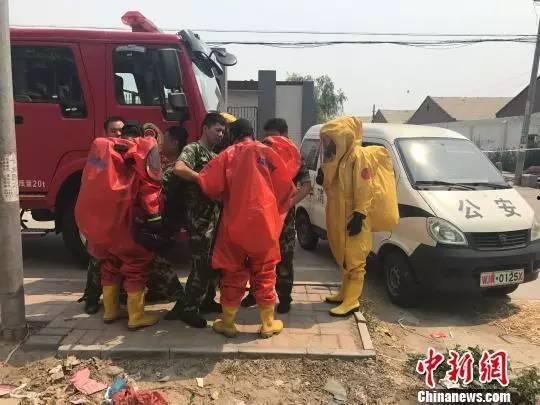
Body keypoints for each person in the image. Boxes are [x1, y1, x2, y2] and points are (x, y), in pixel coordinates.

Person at [195, 119, 300, 338]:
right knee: (265, 273)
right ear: (252, 133)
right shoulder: (268, 153)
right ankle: (268, 324)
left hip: (234, 224)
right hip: (265, 224)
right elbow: (285, 188)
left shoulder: (228, 154)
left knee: (232, 273)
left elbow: (210, 185)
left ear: (233, 135)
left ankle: (228, 323)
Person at [78, 123, 186, 314]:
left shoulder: (106, 156)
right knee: (137, 265)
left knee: (108, 265)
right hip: (130, 224)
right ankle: (136, 314)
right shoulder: (139, 157)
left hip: (107, 224)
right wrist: (155, 219)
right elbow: (149, 192)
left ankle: (109, 310)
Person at [315, 116, 398, 317]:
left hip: (353, 215)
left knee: (355, 258)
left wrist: (360, 215)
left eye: (332, 139)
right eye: (327, 139)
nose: (329, 143)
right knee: (343, 255)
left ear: (345, 137)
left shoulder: (358, 157)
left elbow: (365, 187)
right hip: (337, 212)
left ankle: (352, 301)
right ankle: (344, 294)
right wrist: (323, 176)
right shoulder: (338, 159)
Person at [241, 118, 312, 313]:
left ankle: (285, 297)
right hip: (261, 215)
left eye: (273, 136)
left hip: (284, 218)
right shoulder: (260, 152)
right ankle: (255, 293)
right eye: (267, 137)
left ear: (285, 134)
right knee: (257, 256)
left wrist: (290, 203)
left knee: (284, 257)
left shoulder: (294, 156)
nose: (270, 141)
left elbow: (306, 186)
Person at [165, 112, 227, 327]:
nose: (221, 135)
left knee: (212, 262)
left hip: (213, 218)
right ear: (205, 128)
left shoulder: (214, 155)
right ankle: (189, 308)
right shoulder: (194, 149)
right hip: (199, 220)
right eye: (217, 130)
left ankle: (207, 300)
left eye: (223, 131)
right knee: (201, 264)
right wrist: (202, 179)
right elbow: (179, 168)